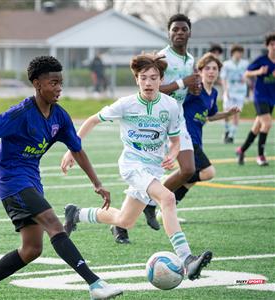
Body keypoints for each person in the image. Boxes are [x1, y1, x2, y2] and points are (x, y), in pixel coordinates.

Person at [0, 56, 122, 300]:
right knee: (53, 223)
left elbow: (77, 149)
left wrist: (97, 183)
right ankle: (95, 284)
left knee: (31, 249)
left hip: (31, 179)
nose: (59, 88)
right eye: (53, 83)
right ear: (37, 84)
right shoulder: (21, 112)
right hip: (11, 179)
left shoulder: (60, 116)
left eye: (60, 83)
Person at [61, 53, 212, 281]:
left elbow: (175, 141)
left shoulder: (170, 106)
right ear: (137, 80)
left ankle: (77, 214)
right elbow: (92, 120)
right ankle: (187, 259)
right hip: (132, 165)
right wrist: (72, 149)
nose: (148, 82)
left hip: (153, 170)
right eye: (143, 78)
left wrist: (172, 154)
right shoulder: (126, 104)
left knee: (125, 220)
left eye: (153, 77)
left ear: (161, 79)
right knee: (168, 198)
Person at [110, 14, 200, 242]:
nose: (179, 33)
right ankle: (147, 206)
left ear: (190, 33)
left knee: (189, 169)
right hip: (157, 119)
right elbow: (155, 90)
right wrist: (182, 83)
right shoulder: (162, 57)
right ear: (168, 33)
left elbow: (186, 89)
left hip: (176, 119)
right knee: (149, 175)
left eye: (183, 29)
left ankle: (151, 202)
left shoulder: (190, 59)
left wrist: (195, 89)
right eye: (175, 30)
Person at [173, 53, 241, 203]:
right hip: (187, 137)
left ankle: (169, 204)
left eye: (215, 68)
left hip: (197, 137)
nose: (211, 71)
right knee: (208, 172)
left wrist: (228, 114)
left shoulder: (214, 93)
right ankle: (171, 181)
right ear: (200, 71)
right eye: (207, 68)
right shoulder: (194, 89)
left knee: (192, 179)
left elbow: (210, 116)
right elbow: (176, 103)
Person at [236, 32, 275, 166]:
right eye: (272, 44)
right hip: (260, 97)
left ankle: (241, 150)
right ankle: (260, 156)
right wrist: (258, 72)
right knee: (267, 123)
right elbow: (246, 73)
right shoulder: (261, 60)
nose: (274, 47)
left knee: (257, 127)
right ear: (267, 46)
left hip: (271, 99)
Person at [221, 44, 249, 144]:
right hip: (230, 89)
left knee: (237, 112)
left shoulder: (245, 63)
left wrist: (246, 77)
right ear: (233, 53)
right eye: (237, 52)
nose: (239, 54)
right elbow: (223, 78)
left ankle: (232, 135)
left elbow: (248, 74)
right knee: (227, 112)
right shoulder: (226, 64)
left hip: (240, 91)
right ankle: (227, 130)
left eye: (241, 53)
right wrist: (226, 90)